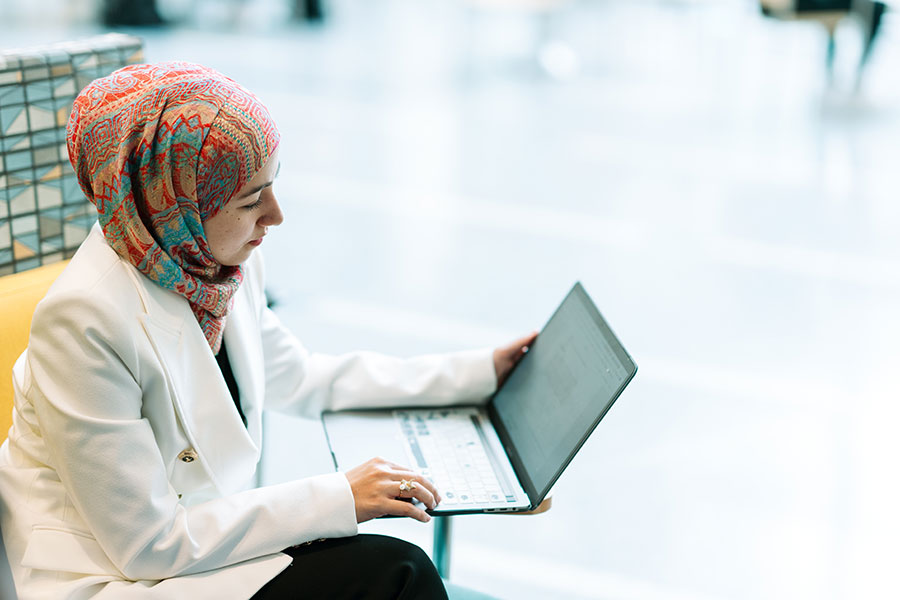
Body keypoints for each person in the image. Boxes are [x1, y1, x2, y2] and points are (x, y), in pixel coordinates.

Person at [0, 62, 536, 599]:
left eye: (272, 185)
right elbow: (148, 545)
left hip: (201, 543)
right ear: (178, 206)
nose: (275, 215)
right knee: (399, 571)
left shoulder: (214, 266)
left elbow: (301, 377)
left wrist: (479, 373)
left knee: (393, 568)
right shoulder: (83, 320)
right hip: (115, 576)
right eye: (251, 200)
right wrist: (340, 496)